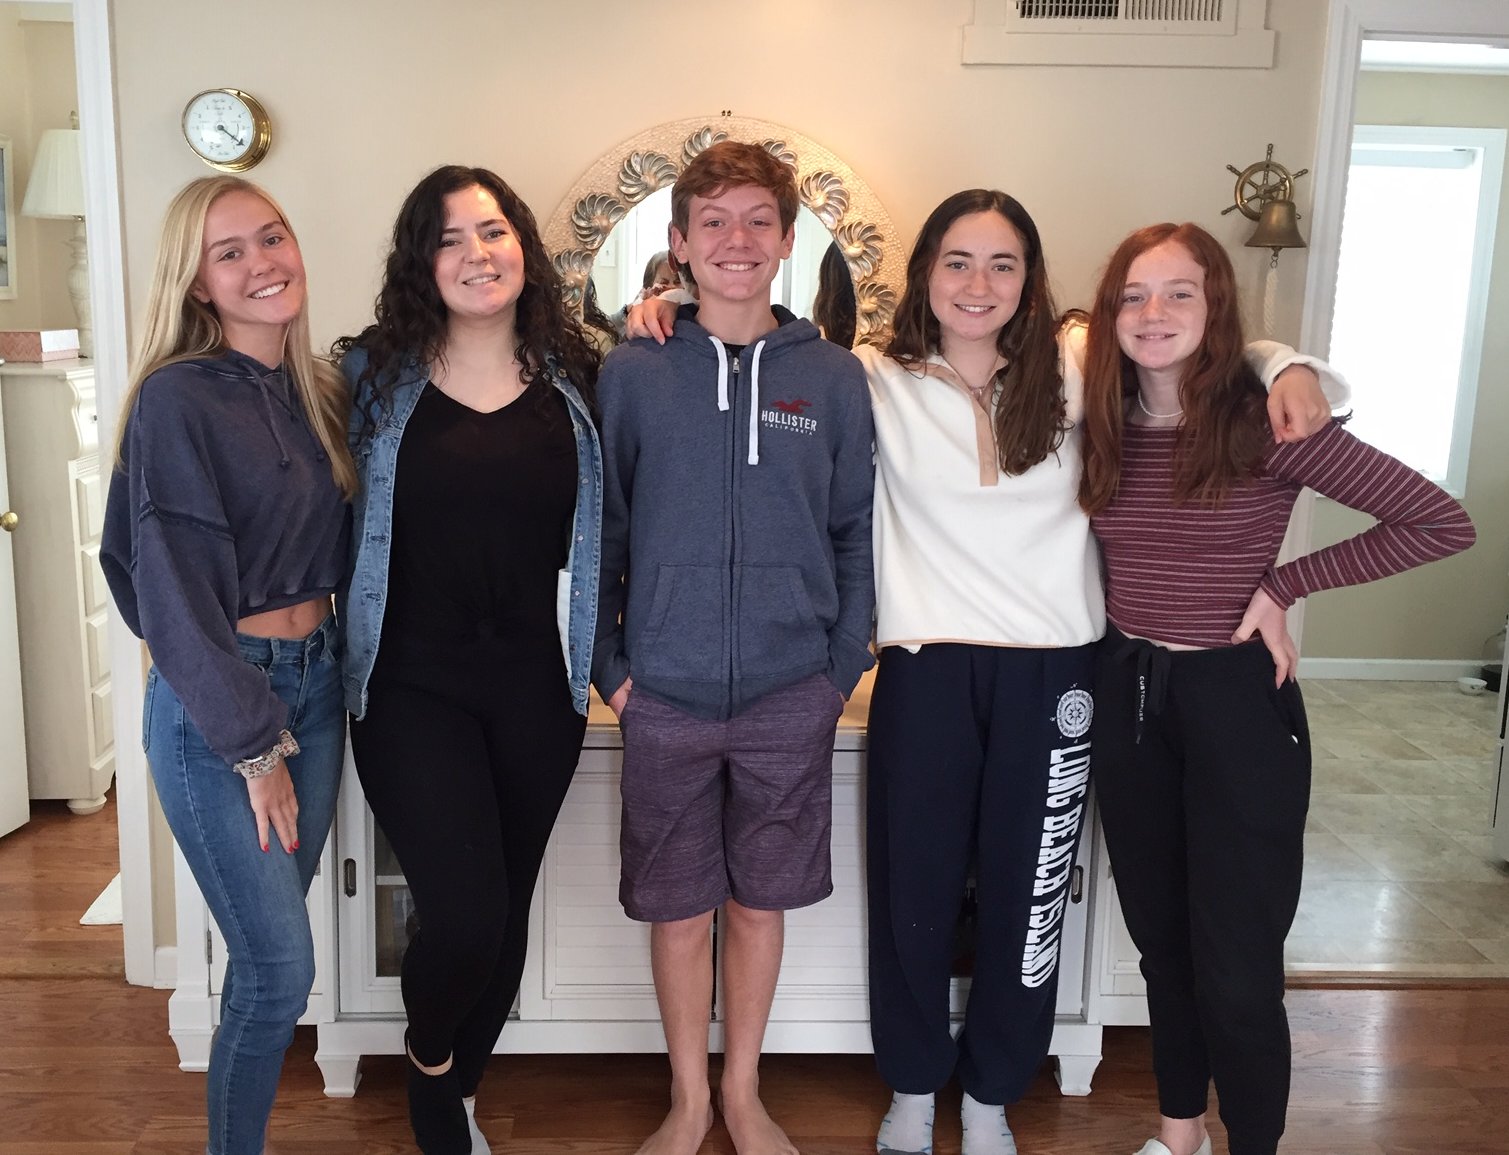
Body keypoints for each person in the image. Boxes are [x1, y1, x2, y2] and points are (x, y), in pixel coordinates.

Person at [629, 189, 1342, 1155]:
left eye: (1002, 263)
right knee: (913, 893)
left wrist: (1283, 361)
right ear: (925, 272)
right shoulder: (869, 375)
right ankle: (912, 1085)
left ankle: (993, 1092)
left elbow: (1195, 342)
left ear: (1029, 280)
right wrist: (671, 304)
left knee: (1028, 895)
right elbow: (757, 345)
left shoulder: (1082, 362)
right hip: (924, 671)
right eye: (956, 262)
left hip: (1059, 673)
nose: (978, 283)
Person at [1078, 222, 1474, 1155]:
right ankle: (1178, 1132)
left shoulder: (1270, 423)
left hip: (1234, 703)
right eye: (1133, 294)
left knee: (1238, 965)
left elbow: (1437, 522)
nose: (1153, 312)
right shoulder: (1097, 421)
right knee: (1161, 944)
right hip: (1128, 695)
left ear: (1214, 307)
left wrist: (1286, 583)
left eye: (1179, 292)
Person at [592, 139, 875, 1155]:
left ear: (789, 240)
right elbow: (602, 531)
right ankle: (688, 1101)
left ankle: (744, 1093)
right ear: (678, 243)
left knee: (759, 905)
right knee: (677, 911)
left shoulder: (833, 379)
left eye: (759, 220)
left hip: (790, 692)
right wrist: (613, 674)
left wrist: (836, 673)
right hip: (661, 692)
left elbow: (856, 531)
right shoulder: (633, 372)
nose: (736, 240)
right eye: (712, 221)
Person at [335, 165, 603, 1155]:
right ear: (422, 262)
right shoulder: (368, 377)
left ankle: (459, 1088)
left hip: (538, 684)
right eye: (448, 239)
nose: (475, 254)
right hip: (409, 682)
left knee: (504, 910)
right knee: (464, 912)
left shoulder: (583, 378)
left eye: (491, 231)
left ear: (521, 245)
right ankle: (430, 1066)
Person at [101, 175, 356, 1155]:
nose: (263, 264)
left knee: (264, 962)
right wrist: (254, 745)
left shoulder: (319, 390)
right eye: (230, 252)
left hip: (318, 684)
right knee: (279, 972)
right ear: (198, 284)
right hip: (225, 706)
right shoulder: (176, 399)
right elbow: (164, 590)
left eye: (272, 237)